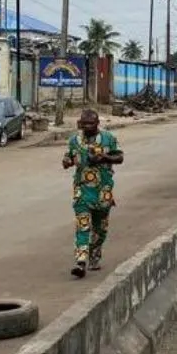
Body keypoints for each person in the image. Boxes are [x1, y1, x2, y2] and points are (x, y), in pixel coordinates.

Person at [62, 109, 124, 278]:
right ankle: (80, 262)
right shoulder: (74, 140)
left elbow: (119, 157)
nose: (87, 127)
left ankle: (94, 254)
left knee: (100, 229)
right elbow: (67, 158)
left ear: (97, 124)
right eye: (84, 124)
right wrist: (67, 162)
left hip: (103, 191)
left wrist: (104, 158)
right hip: (82, 191)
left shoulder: (108, 139)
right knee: (83, 226)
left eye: (91, 124)